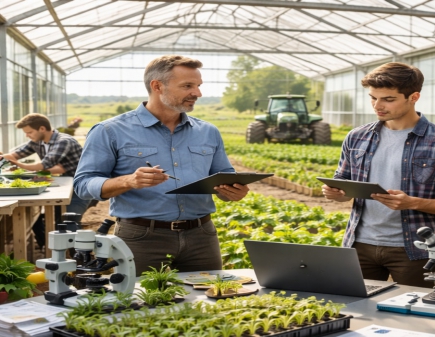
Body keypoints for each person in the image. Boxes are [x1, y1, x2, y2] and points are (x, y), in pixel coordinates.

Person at [74, 55, 249, 276]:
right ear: (157, 86)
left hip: (201, 237)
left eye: (198, 85)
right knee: (138, 297)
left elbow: (224, 177)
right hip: (141, 237)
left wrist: (233, 191)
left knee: (208, 296)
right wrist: (129, 181)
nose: (197, 93)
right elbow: (83, 184)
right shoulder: (110, 130)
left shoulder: (208, 131)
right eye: (187, 86)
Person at [322, 62, 435, 288]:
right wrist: (337, 193)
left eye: (388, 99)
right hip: (359, 243)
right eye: (373, 98)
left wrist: (413, 203)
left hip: (416, 248)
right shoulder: (357, 137)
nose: (377, 105)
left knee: (415, 307)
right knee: (355, 305)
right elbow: (343, 182)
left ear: (414, 97)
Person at [1, 113, 91, 246]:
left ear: (42, 129)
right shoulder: (37, 142)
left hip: (80, 187)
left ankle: (81, 254)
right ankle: (51, 246)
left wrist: (17, 165)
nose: (27, 135)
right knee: (52, 220)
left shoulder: (63, 141)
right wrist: (3, 157)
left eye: (29, 132)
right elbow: (16, 154)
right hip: (63, 184)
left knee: (70, 219)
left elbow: (44, 165)